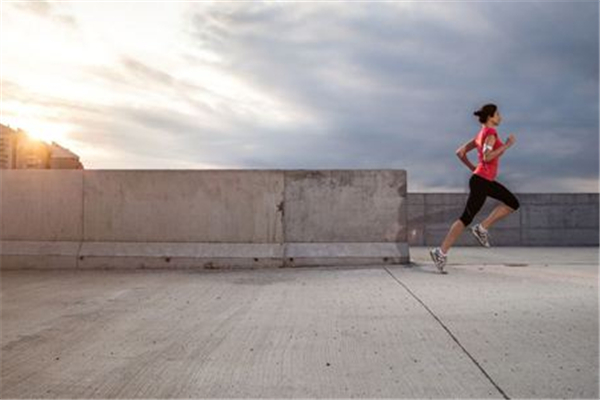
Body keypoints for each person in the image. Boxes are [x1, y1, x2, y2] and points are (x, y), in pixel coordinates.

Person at [429, 103, 520, 274]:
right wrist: (507, 145)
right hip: (482, 181)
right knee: (467, 218)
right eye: (498, 114)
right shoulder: (491, 133)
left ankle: (480, 229)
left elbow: (459, 152)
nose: (500, 117)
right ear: (491, 117)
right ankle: (441, 251)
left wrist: (473, 169)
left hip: (482, 180)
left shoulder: (480, 134)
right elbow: (487, 157)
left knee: (512, 203)